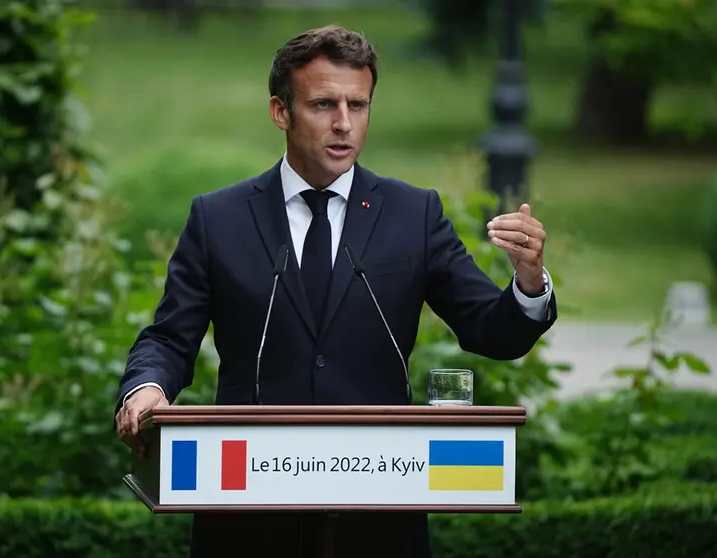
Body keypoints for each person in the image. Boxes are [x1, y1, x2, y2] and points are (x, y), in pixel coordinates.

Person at [114, 25, 557, 558]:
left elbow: (493, 330)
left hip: (378, 519)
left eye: (359, 104)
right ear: (282, 112)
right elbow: (168, 338)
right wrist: (145, 389)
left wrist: (528, 281)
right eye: (324, 104)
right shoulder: (219, 218)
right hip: (247, 517)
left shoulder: (413, 214)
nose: (344, 123)